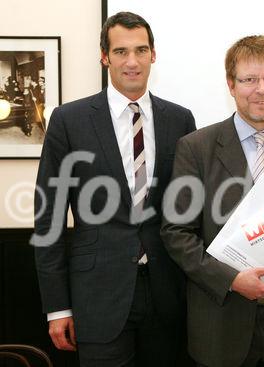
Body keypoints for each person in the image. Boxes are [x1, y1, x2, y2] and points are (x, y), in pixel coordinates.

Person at [33, 11, 196, 366]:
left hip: (167, 295)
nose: (132, 62)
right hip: (97, 297)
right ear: (104, 56)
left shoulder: (180, 119)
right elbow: (49, 218)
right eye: (121, 51)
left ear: (154, 54)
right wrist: (56, 306)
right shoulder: (69, 121)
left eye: (141, 50)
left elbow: (188, 209)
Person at [161, 35, 264, 367]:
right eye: (250, 79)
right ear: (231, 84)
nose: (262, 89)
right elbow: (176, 233)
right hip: (223, 322)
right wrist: (232, 280)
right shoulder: (196, 148)